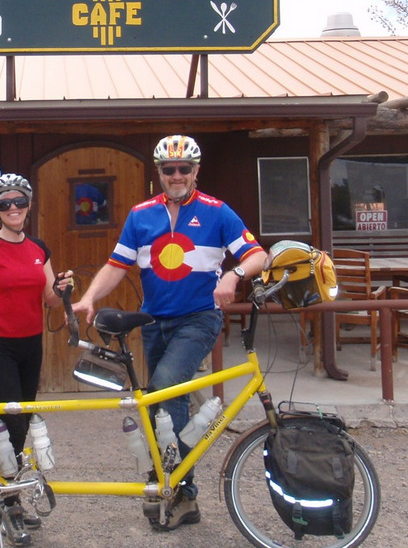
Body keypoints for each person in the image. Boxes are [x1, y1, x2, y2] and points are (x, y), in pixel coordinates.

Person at [71, 134, 267, 532]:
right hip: (153, 322)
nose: (176, 175)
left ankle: (181, 493)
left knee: (165, 388)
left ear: (196, 171)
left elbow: (258, 255)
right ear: (159, 173)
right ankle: (175, 489)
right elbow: (116, 265)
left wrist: (233, 274)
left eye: (184, 169)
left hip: (198, 318)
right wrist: (89, 297)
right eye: (168, 169)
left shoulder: (217, 211)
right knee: (160, 403)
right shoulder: (141, 214)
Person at [0, 173, 72, 547]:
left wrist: (63, 288)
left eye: (19, 201)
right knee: (12, 417)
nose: (13, 208)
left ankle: (7, 488)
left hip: (31, 343)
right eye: (4, 203)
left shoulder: (39, 247)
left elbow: (51, 299)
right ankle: (8, 499)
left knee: (22, 419)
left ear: (29, 204)